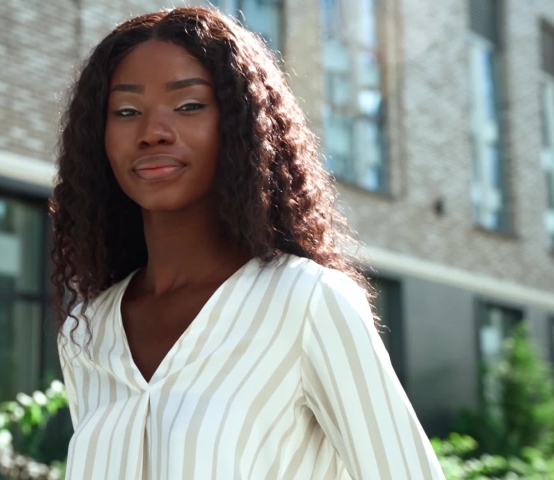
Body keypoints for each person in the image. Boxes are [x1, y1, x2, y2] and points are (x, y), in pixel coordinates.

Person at [49, 6, 444, 480]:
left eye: (189, 106)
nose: (153, 132)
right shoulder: (88, 333)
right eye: (127, 111)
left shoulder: (308, 303)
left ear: (241, 126)